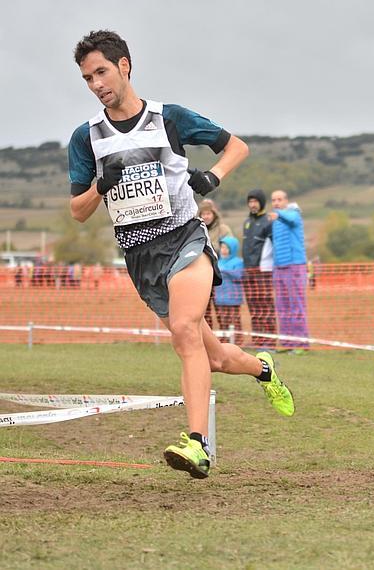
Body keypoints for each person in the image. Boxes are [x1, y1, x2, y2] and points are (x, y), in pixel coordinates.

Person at [68, 30, 294, 479]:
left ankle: (197, 445)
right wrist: (101, 185)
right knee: (213, 357)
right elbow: (77, 211)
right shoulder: (86, 138)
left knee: (186, 331)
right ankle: (262, 368)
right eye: (87, 78)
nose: (96, 84)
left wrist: (212, 177)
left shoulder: (168, 118)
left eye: (102, 72)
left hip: (185, 238)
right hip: (140, 256)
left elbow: (236, 146)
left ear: (125, 66)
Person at [269, 190, 309, 352]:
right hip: (279, 267)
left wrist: (278, 214)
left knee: (297, 305)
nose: (276, 203)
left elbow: (291, 220)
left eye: (279, 199)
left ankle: (301, 343)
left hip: (295, 265)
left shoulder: (293, 214)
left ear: (286, 200)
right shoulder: (276, 220)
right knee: (282, 306)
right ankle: (287, 343)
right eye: (273, 200)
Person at [242, 189, 277, 349]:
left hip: (263, 272)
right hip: (247, 271)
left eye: (255, 201)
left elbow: (274, 247)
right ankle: (257, 341)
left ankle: (270, 341)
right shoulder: (247, 222)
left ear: (261, 203)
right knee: (253, 307)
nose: (252, 204)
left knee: (266, 306)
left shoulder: (268, 222)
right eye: (250, 201)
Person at [197, 199, 232, 328]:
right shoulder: (196, 230)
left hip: (219, 273)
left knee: (222, 309)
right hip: (201, 274)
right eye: (203, 214)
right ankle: (208, 339)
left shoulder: (223, 229)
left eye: (208, 213)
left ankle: (225, 337)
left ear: (214, 214)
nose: (206, 216)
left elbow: (230, 248)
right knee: (204, 309)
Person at [215, 237, 244, 345]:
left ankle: (238, 342)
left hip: (233, 298)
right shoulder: (218, 261)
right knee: (223, 321)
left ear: (233, 249)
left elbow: (239, 275)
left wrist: (225, 271)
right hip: (220, 297)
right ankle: (225, 342)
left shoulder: (238, 262)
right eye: (222, 247)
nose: (224, 250)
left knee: (235, 321)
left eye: (227, 248)